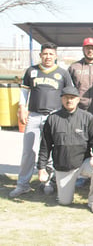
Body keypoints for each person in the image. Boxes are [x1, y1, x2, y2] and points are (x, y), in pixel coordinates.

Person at [9, 42, 73, 198]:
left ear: (55, 56)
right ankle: (23, 184)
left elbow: (69, 94)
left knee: (51, 151)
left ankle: (48, 182)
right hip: (35, 115)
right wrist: (22, 108)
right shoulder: (31, 71)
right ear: (40, 55)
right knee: (28, 151)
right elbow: (24, 92)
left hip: (54, 116)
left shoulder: (62, 73)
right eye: (45, 54)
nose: (48, 57)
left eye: (51, 54)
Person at [37, 86, 93, 213]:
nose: (69, 100)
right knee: (64, 202)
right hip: (63, 166)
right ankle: (53, 180)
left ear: (78, 99)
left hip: (83, 163)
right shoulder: (52, 119)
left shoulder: (87, 117)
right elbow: (45, 146)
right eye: (66, 97)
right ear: (61, 99)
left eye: (72, 98)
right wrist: (41, 168)